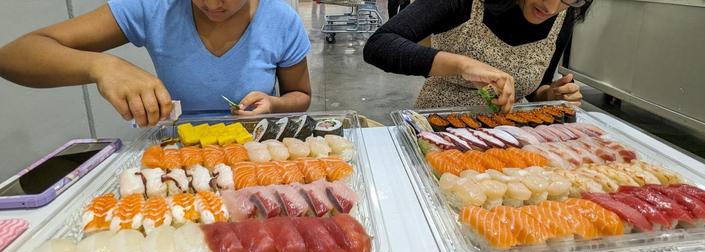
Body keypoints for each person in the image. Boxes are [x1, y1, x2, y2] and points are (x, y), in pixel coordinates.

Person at [0, 0, 312, 127]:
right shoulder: (155, 7)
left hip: (253, 154)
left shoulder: (280, 19)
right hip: (173, 157)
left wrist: (273, 105)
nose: (214, 4)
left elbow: (301, 96)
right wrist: (103, 66)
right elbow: (13, 56)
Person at [364, 0, 592, 113]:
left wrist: (550, 94)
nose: (551, 8)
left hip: (512, 136)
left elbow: (535, 90)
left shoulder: (564, 15)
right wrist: (462, 64)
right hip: (439, 125)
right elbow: (380, 45)